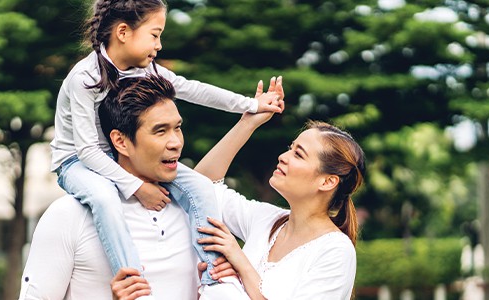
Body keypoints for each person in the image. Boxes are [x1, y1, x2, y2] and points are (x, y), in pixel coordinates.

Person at [49, 0, 284, 295]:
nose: (159, 45)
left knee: (200, 186)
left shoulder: (146, 70)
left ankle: (214, 280)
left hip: (127, 155)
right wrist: (138, 187)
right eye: (154, 34)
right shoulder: (85, 79)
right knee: (105, 198)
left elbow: (194, 88)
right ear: (123, 32)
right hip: (77, 162)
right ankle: (135, 284)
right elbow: (87, 151)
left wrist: (250, 104)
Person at [21, 74, 280, 299]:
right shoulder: (68, 216)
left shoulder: (196, 212)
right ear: (120, 142)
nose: (176, 142)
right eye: (160, 131)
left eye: (177, 128)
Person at [191, 109, 366, 299]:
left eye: (298, 154)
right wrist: (247, 124)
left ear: (327, 182)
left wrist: (241, 265)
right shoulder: (265, 219)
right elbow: (201, 187)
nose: (283, 156)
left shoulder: (335, 251)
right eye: (290, 148)